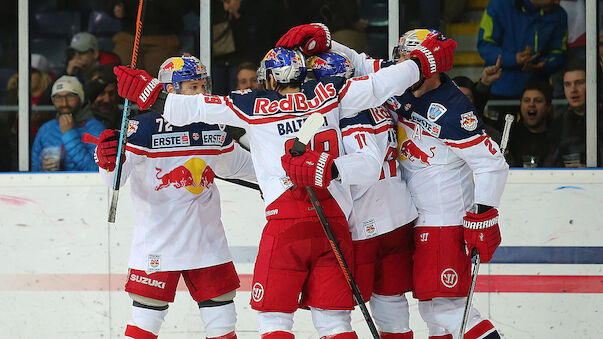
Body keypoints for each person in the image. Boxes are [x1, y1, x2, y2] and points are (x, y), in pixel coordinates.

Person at [112, 23, 455, 338]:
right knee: (334, 320)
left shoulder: (251, 104)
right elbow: (381, 84)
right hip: (333, 220)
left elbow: (196, 109)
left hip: (286, 223)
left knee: (275, 318)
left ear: (270, 79)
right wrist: (420, 65)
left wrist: (153, 97)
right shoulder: (329, 94)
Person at [328, 28, 508, 339]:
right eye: (398, 58)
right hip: (416, 217)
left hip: (444, 220)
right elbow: (359, 63)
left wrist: (482, 216)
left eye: (406, 59)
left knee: (444, 309)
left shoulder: (454, 110)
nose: (398, 64)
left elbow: (492, 163)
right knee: (436, 317)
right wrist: (325, 41)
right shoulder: (401, 78)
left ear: (430, 63)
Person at [94, 55, 256, 339]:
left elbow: (242, 167)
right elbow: (115, 180)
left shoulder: (212, 126)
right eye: (193, 87)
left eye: (203, 86)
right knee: (145, 320)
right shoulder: (141, 128)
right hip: (158, 243)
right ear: (170, 91)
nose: (202, 94)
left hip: (207, 241)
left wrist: (282, 176)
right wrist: (107, 160)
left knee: (222, 318)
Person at [307, 50, 417, 338]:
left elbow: (366, 162)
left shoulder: (351, 109)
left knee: (331, 308)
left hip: (368, 220)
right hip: (401, 213)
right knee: (390, 299)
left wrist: (324, 169)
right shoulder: (381, 103)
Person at [477, 0, 567, 99]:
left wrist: (542, 65)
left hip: (539, 92)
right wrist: (513, 59)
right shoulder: (498, 5)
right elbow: (485, 46)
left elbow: (558, 54)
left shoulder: (559, 14)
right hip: (501, 91)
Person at [31, 75, 105, 172]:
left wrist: (69, 134)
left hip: (84, 186)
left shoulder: (96, 128)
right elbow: (33, 170)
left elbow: (97, 170)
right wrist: (42, 168)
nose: (64, 103)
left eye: (70, 96)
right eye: (58, 97)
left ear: (81, 99)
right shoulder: (46, 129)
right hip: (51, 186)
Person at [547, 61, 603, 167]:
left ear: (593, 83)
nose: (573, 89)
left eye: (579, 83)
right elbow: (548, 164)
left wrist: (591, 171)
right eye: (568, 84)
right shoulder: (559, 123)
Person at [506, 82, 554, 167]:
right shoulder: (509, 136)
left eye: (538, 101)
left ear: (548, 107)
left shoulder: (557, 135)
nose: (531, 104)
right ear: (520, 106)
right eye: (526, 100)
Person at [81, 65, 121, 129]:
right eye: (101, 93)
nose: (107, 99)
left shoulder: (125, 119)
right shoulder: (78, 121)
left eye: (111, 93)